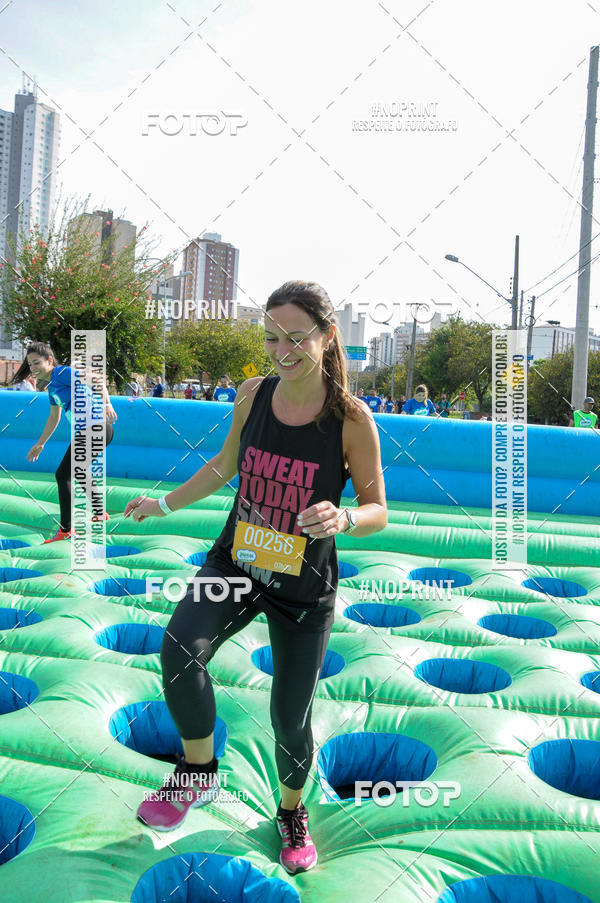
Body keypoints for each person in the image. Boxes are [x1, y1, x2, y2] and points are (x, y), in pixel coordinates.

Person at [125, 280, 387, 874]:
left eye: (296, 337)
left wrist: (343, 517)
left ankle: (290, 811)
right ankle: (196, 773)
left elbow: (379, 511)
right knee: (179, 650)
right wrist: (163, 505)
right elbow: (225, 465)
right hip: (238, 563)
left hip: (302, 586)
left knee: (288, 718)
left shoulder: (351, 419)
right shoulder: (252, 394)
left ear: (326, 335)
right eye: (272, 337)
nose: (282, 350)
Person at [13, 341, 117, 543]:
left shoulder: (61, 373)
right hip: (93, 430)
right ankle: (100, 512)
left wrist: (107, 403)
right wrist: (41, 443)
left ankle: (66, 530)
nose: (33, 368)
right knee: (78, 470)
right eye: (30, 364)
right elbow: (54, 418)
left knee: (63, 475)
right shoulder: (52, 387)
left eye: (37, 363)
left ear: (49, 360)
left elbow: (96, 378)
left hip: (96, 428)